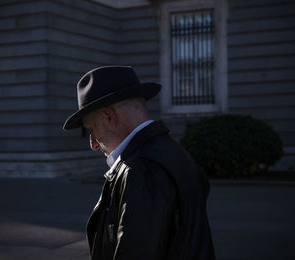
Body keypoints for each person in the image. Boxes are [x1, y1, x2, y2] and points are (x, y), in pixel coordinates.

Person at [63, 66, 215, 260]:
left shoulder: (140, 170)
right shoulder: (173, 151)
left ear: (109, 117)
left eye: (91, 129)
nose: (93, 144)